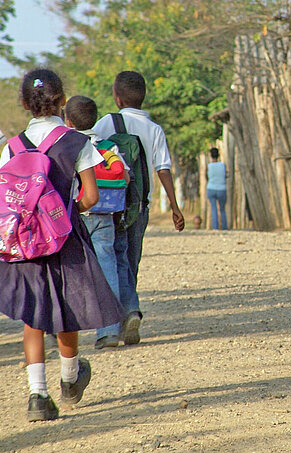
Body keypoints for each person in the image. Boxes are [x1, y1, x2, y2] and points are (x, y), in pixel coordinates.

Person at [0, 69, 124, 421]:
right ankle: (70, 380)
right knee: (66, 312)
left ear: (24, 103)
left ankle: (37, 396)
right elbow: (91, 195)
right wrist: (66, 212)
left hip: (24, 244)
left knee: (33, 316)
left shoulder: (12, 146)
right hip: (65, 240)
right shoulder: (76, 142)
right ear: (63, 102)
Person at [94, 71, 186, 344]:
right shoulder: (155, 129)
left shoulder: (105, 123)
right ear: (144, 97)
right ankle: (129, 315)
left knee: (113, 261)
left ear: (117, 97)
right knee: (131, 262)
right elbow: (163, 169)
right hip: (140, 206)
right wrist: (175, 206)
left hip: (109, 206)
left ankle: (121, 317)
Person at [65, 95, 136, 349]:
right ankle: (109, 331)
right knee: (108, 270)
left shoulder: (68, 146)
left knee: (72, 273)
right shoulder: (107, 145)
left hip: (77, 216)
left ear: (68, 120)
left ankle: (62, 328)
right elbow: (125, 177)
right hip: (105, 216)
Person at [207, 147, 228, 230]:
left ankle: (215, 228)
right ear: (218, 155)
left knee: (213, 208)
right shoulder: (223, 165)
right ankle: (224, 228)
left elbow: (207, 176)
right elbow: (225, 175)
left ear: (210, 156)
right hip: (222, 189)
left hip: (211, 188)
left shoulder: (209, 166)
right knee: (222, 209)